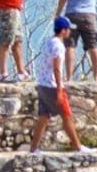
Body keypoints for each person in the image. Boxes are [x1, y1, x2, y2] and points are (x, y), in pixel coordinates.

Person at [27, 13, 82, 152]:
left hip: (42, 84)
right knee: (66, 115)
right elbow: (57, 68)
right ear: (63, 30)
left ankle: (34, 148)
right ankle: (78, 146)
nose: (70, 31)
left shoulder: (48, 42)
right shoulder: (59, 46)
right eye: (68, 29)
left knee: (44, 116)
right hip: (52, 85)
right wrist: (59, 90)